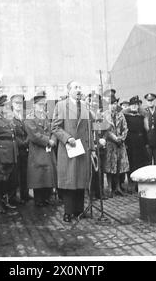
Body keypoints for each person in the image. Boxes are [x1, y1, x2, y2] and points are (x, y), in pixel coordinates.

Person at [52, 81, 95, 222]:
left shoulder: (84, 106)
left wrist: (92, 148)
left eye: (80, 87)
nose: (78, 90)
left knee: (81, 180)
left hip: (83, 150)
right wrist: (67, 138)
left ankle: (79, 210)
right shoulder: (61, 105)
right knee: (69, 181)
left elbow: (89, 129)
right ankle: (68, 212)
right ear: (69, 90)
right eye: (76, 87)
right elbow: (55, 127)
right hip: (68, 149)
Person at [25, 92, 57, 207]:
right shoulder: (30, 118)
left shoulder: (47, 117)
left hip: (48, 150)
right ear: (34, 105)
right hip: (37, 150)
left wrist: (53, 139)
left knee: (48, 173)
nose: (42, 107)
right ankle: (39, 199)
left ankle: (46, 197)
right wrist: (48, 140)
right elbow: (34, 135)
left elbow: (54, 129)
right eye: (40, 105)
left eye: (44, 105)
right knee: (38, 175)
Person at [0, 95, 19, 213]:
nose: (7, 107)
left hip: (10, 154)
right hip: (1, 154)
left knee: (8, 180)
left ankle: (5, 201)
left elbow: (12, 137)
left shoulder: (7, 119)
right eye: (4, 106)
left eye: (7, 105)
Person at [101, 95, 129, 197]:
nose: (114, 105)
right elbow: (105, 130)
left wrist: (121, 138)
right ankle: (109, 188)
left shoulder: (120, 115)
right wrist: (114, 138)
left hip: (120, 145)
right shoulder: (104, 115)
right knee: (109, 167)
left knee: (119, 166)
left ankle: (117, 187)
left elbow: (125, 128)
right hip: (109, 145)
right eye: (112, 103)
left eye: (115, 103)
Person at [124, 95, 149, 193]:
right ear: (129, 106)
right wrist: (125, 142)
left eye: (136, 105)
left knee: (140, 164)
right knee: (131, 163)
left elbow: (144, 130)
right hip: (130, 143)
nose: (134, 106)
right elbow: (124, 130)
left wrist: (146, 143)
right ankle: (131, 184)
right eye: (132, 105)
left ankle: (139, 184)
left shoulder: (141, 116)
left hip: (140, 143)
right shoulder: (125, 116)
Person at [11, 94, 31, 203]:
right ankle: (14, 196)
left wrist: (26, 141)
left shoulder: (26, 116)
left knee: (25, 172)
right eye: (16, 103)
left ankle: (25, 194)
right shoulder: (9, 117)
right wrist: (21, 143)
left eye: (20, 103)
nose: (19, 105)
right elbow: (12, 133)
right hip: (16, 148)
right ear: (12, 104)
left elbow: (30, 131)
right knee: (15, 174)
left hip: (26, 148)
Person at [144, 93, 156, 165]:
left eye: (152, 100)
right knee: (148, 163)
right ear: (146, 102)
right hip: (148, 142)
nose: (150, 102)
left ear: (155, 100)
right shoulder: (144, 112)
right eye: (148, 100)